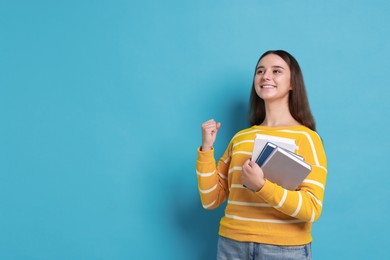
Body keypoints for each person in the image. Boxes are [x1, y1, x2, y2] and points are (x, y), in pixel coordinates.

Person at [196, 50, 327, 260]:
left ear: (293, 83)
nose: (266, 76)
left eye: (276, 71)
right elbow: (211, 200)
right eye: (260, 71)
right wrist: (206, 150)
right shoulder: (240, 138)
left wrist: (261, 186)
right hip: (232, 245)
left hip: (284, 250)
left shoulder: (307, 138)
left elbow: (311, 209)